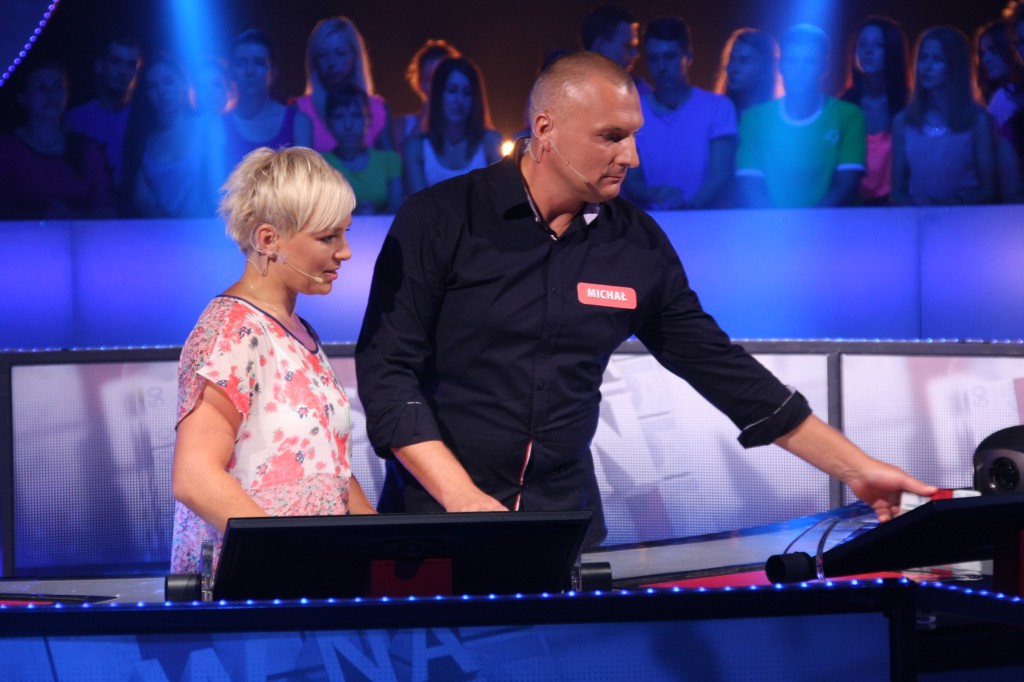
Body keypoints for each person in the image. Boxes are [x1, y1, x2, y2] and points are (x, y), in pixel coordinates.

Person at [355, 51, 936, 548]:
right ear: (545, 129)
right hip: (435, 524)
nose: (631, 156)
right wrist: (462, 499)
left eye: (634, 135)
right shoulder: (440, 218)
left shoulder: (636, 245)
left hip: (564, 533)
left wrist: (858, 470)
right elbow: (387, 369)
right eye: (611, 137)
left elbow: (724, 371)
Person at [171, 146, 375, 573]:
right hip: (257, 584)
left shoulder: (299, 330)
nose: (345, 252)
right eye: (328, 237)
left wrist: (382, 547)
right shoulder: (229, 331)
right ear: (269, 240)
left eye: (345, 233)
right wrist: (284, 556)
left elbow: (330, 472)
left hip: (313, 577)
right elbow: (195, 478)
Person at [736, 24, 866, 208]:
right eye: (792, 61)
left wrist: (805, 222)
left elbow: (847, 186)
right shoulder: (754, 119)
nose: (800, 70)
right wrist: (778, 222)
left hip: (833, 224)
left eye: (810, 61)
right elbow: (751, 186)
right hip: (772, 224)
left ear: (825, 67)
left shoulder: (849, 115)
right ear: (781, 66)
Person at [623, 16, 737, 210]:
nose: (661, 67)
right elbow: (630, 181)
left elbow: (721, 176)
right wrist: (654, 194)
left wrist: (686, 209)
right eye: (654, 58)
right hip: (654, 221)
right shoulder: (632, 111)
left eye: (669, 56)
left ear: (688, 56)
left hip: (707, 221)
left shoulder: (718, 107)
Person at [891, 26, 998, 206]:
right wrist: (915, 207)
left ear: (955, 67)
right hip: (917, 219)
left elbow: (990, 190)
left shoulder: (978, 121)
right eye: (923, 58)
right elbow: (897, 192)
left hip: (965, 219)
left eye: (937, 59)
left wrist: (947, 203)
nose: (927, 67)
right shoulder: (903, 121)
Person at [0, 59, 112, 219]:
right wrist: (41, 218)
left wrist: (71, 217)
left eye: (58, 86)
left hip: (79, 235)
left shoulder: (89, 150)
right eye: (40, 87)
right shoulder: (6, 149)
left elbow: (106, 213)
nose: (51, 94)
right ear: (22, 98)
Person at [120, 54, 226, 217]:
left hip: (202, 227)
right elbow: (142, 200)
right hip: (157, 230)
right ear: (146, 93)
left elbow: (216, 188)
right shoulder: (142, 138)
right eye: (153, 86)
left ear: (183, 83)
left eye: (168, 81)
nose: (162, 91)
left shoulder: (208, 124)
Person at [402, 56, 502, 195]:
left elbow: (499, 197)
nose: (459, 100)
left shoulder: (490, 142)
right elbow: (418, 203)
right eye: (452, 90)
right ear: (438, 94)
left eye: (467, 92)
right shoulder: (415, 147)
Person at [294, 16, 393, 153]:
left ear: (354, 56)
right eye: (322, 55)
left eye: (340, 53)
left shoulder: (377, 109)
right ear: (314, 61)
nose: (331, 63)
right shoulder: (299, 110)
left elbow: (391, 162)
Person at [840, 16, 910, 205]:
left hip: (898, 208)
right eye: (862, 45)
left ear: (892, 51)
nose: (868, 51)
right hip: (851, 208)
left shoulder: (910, 107)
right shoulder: (844, 108)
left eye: (878, 45)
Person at [224, 29, 312, 170]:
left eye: (259, 62)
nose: (250, 71)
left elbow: (304, 179)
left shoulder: (299, 122)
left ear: (273, 71)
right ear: (231, 71)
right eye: (241, 63)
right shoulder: (218, 125)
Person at [64, 36, 142, 192]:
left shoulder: (143, 117)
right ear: (99, 66)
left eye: (130, 64)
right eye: (116, 61)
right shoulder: (76, 119)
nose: (123, 71)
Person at [324, 85, 403, 214]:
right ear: (328, 123)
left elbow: (398, 211)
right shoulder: (319, 164)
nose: (348, 125)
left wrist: (374, 216)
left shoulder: (389, 160)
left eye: (356, 115)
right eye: (339, 116)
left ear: (369, 119)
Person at [391, 39, 461, 154]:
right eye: (430, 80)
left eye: (442, 79)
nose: (437, 87)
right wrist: (423, 119)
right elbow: (398, 162)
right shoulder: (401, 126)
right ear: (419, 84)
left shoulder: (471, 128)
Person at [580, 3, 651, 96]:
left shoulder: (639, 91)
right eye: (628, 46)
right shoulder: (569, 91)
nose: (636, 54)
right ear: (600, 45)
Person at [713, 28, 781, 118]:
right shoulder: (714, 113)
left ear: (765, 68)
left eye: (744, 61)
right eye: (732, 59)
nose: (733, 68)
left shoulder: (775, 118)